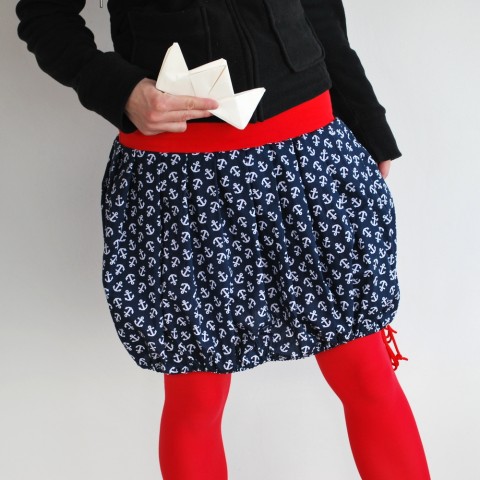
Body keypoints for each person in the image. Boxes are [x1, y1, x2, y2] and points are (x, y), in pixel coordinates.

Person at [16, 0, 431, 478]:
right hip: (180, 179)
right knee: (196, 393)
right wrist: (120, 89)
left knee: (364, 369)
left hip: (308, 157)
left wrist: (367, 122)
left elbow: (319, 11)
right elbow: (44, 15)